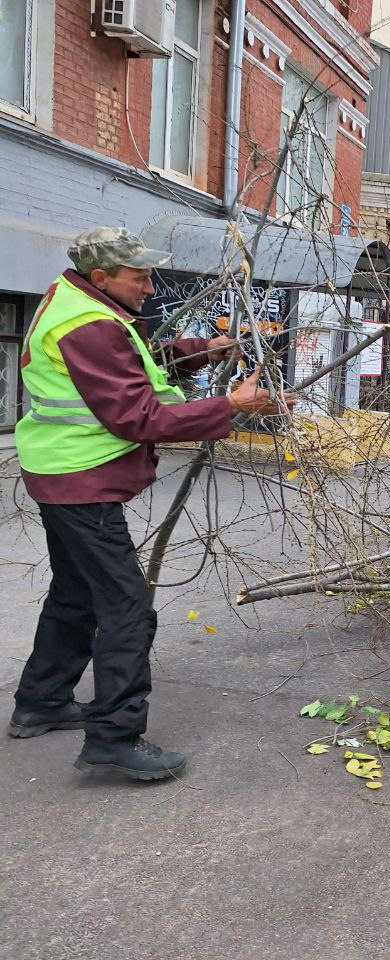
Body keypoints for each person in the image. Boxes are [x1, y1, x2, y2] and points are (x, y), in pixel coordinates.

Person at [7, 227, 294, 780]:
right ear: (102, 277)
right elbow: (136, 416)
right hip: (79, 478)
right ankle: (114, 738)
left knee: (76, 594)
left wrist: (199, 351)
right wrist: (229, 406)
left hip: (63, 473)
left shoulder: (83, 304)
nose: (148, 282)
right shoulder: (88, 324)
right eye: (137, 274)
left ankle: (41, 701)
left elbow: (132, 362)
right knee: (126, 606)